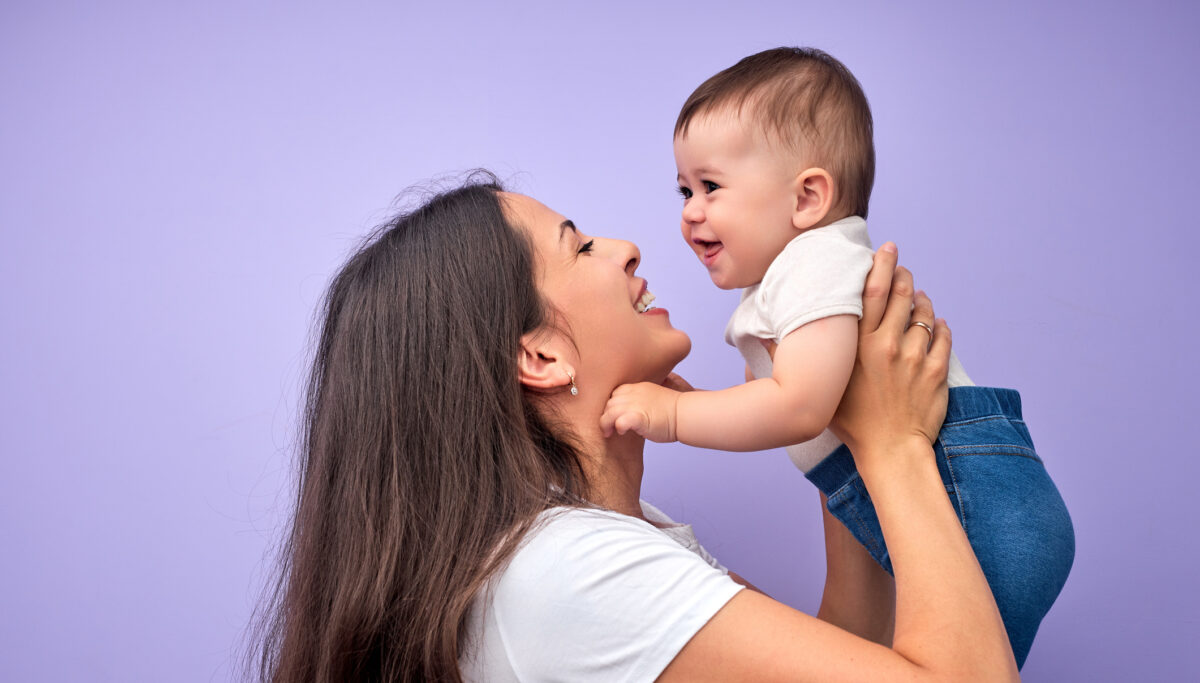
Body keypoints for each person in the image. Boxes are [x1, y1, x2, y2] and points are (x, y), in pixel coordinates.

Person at [251, 173, 1020, 682]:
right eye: (580, 246)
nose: (625, 248)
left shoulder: (607, 541)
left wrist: (834, 428)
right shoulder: (571, 570)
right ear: (542, 354)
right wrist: (895, 446)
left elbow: (845, 652)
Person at [599, 47, 1074, 668]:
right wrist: (709, 405)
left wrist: (672, 417)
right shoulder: (786, 280)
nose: (690, 212)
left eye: (711, 187)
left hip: (973, 492)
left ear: (808, 198)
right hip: (964, 496)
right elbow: (808, 413)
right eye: (684, 189)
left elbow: (800, 406)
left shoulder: (816, 262)